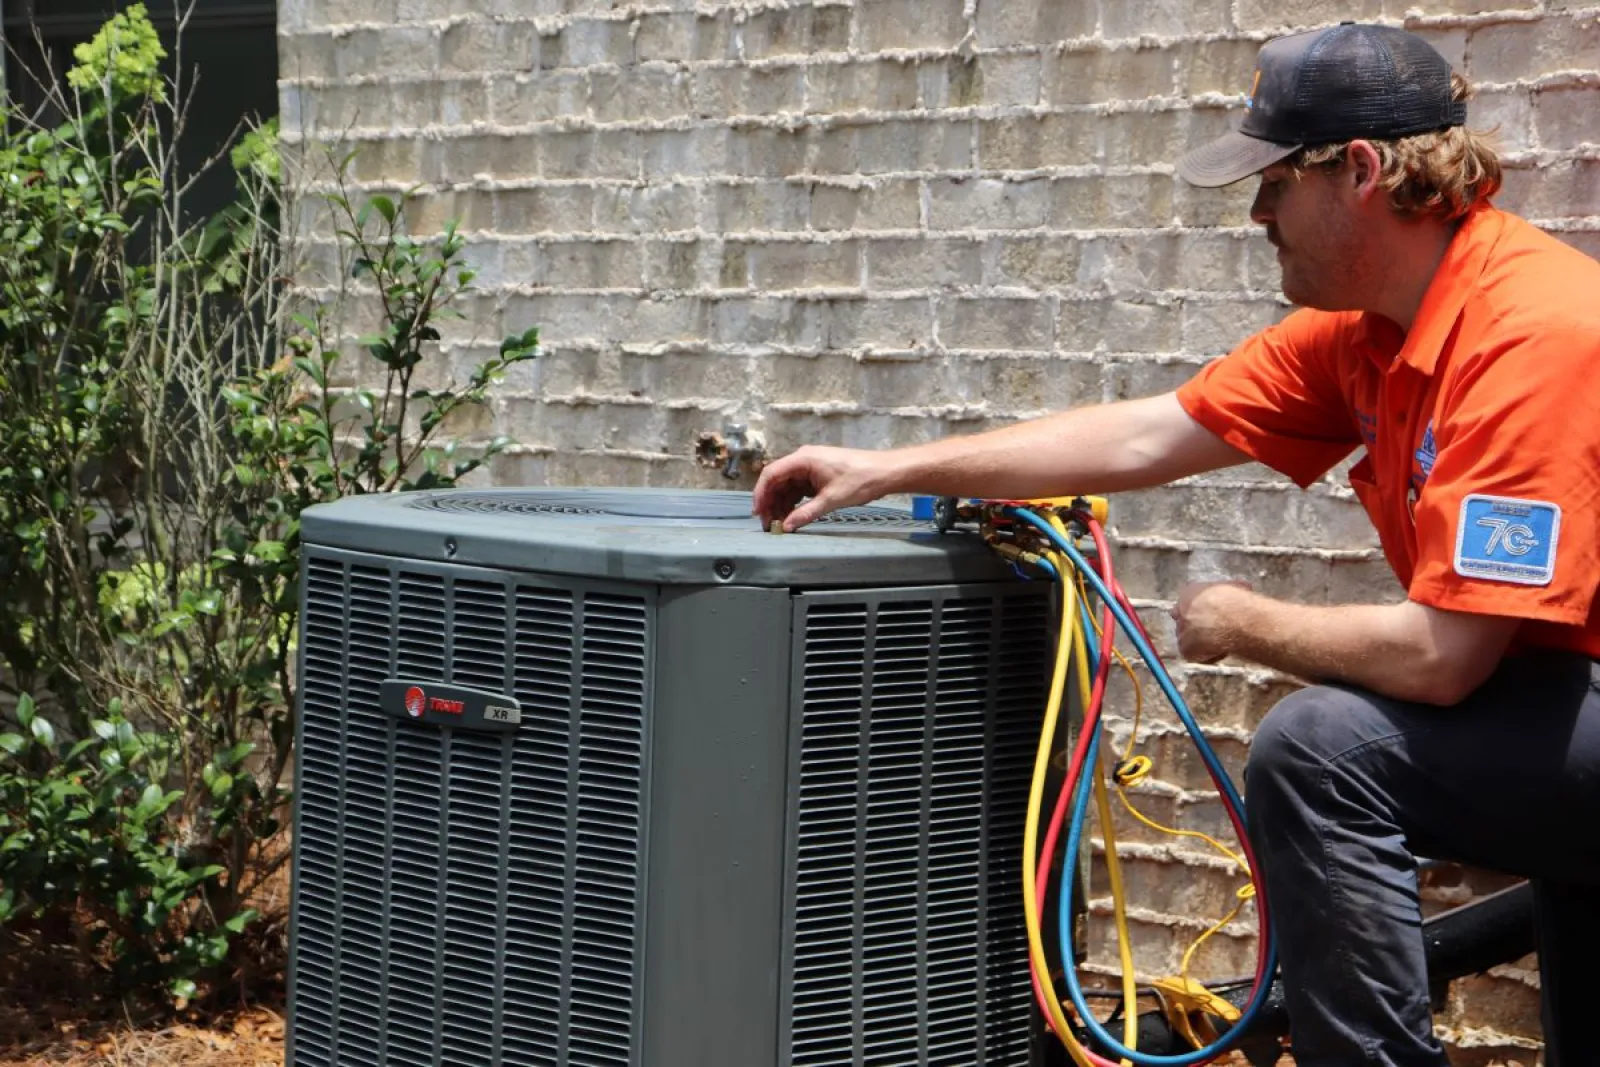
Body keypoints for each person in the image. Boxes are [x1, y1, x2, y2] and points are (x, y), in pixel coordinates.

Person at [751, 22, 1600, 1067]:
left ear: (1361, 172)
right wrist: (889, 469)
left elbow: (1444, 656)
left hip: (1569, 700)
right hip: (1565, 706)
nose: (1255, 214)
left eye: (1275, 182)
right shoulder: (1372, 330)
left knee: (1321, 749)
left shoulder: (1529, 334)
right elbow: (1152, 432)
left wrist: (1242, 621)